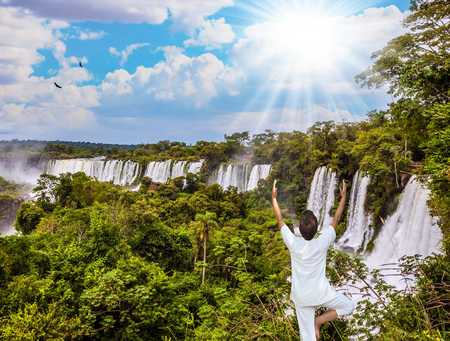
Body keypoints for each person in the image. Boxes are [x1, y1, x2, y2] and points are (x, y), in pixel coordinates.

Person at [272, 179, 354, 341]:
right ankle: (319, 321)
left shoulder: (294, 243)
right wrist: (343, 198)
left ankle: (314, 323)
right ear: (317, 230)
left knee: (307, 338)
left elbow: (280, 221)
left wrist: (274, 198)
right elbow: (336, 220)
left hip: (301, 297)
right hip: (321, 293)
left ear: (299, 231)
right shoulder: (322, 242)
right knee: (348, 306)